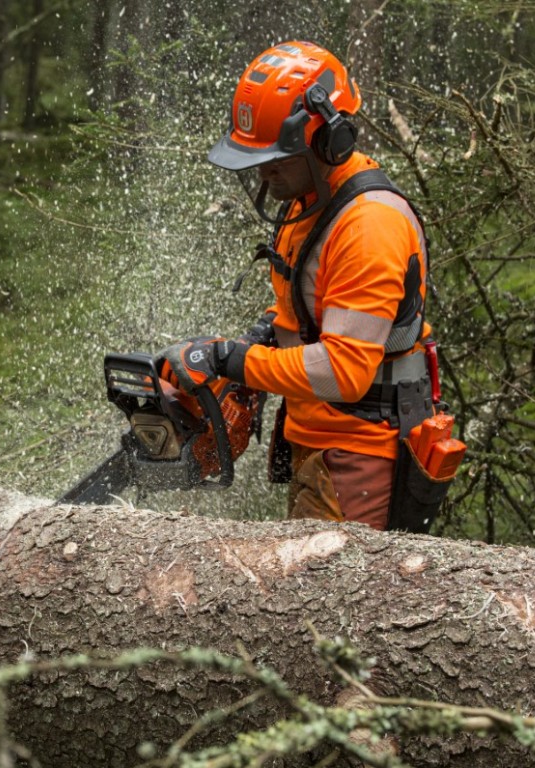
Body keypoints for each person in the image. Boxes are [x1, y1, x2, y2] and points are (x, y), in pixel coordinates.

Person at [159, 40, 442, 532]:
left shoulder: (368, 225)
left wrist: (232, 360)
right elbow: (309, 307)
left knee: (342, 600)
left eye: (277, 157)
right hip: (320, 439)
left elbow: (344, 370)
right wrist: (263, 336)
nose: (263, 171)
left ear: (329, 139)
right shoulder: (310, 198)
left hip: (360, 453)